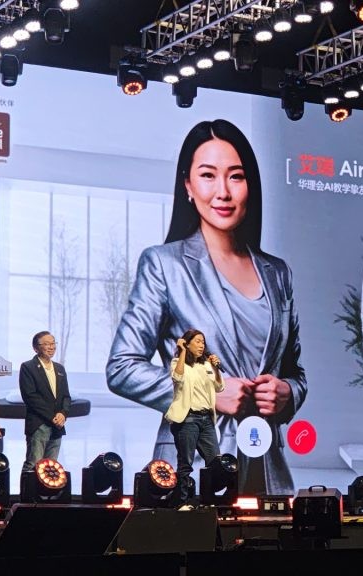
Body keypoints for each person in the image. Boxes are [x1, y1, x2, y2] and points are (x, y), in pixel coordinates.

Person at [107, 119, 306, 495]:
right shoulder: (164, 264)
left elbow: (295, 373)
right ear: (188, 186)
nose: (223, 192)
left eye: (235, 177)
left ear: (251, 186)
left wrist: (288, 393)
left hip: (267, 466)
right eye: (208, 175)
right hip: (191, 466)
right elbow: (121, 368)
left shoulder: (278, 274)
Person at [167, 329, 224, 508]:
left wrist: (215, 367)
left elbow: (219, 387)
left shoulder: (206, 365)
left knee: (215, 461)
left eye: (203, 342)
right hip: (187, 419)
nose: (202, 345)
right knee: (186, 463)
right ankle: (181, 502)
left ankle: (209, 500)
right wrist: (182, 351)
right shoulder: (177, 362)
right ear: (187, 343)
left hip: (206, 419)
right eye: (198, 341)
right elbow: (178, 377)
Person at [19, 331, 71, 472]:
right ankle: (28, 494)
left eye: (53, 343)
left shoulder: (60, 369)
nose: (51, 347)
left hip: (57, 425)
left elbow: (66, 396)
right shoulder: (28, 367)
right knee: (33, 464)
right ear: (36, 348)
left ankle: (47, 494)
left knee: (51, 468)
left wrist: (63, 414)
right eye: (46, 344)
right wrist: (52, 416)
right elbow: (30, 396)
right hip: (39, 424)